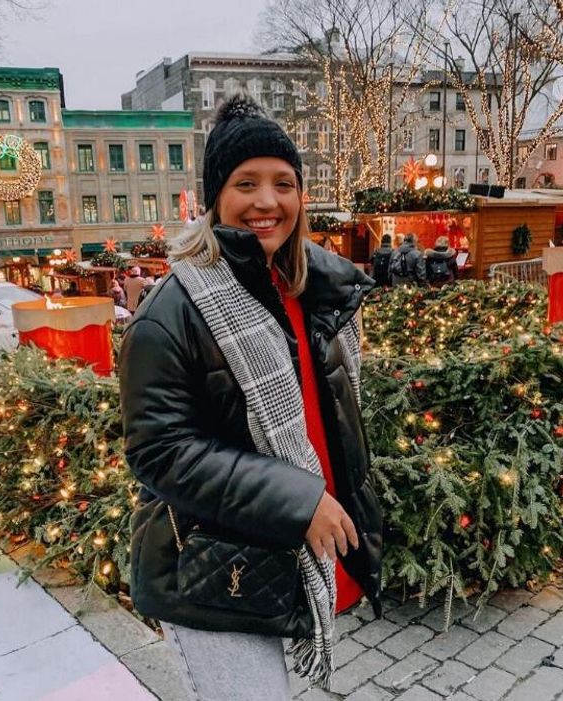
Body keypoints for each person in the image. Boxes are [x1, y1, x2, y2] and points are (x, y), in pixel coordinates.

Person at [118, 95, 383, 700]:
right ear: (215, 197)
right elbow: (160, 453)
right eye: (246, 183)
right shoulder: (172, 311)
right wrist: (299, 500)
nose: (267, 201)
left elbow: (333, 420)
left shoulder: (317, 292)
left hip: (290, 548)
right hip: (212, 570)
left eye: (283, 183)